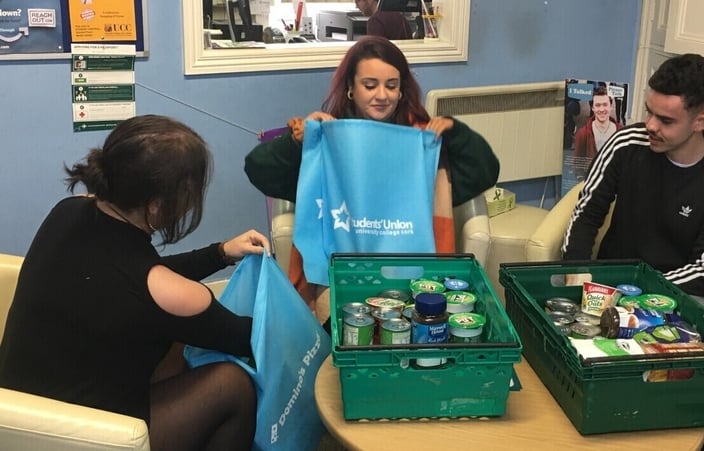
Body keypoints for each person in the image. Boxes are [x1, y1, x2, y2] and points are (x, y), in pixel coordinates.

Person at [0, 115, 271, 451]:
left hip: (17, 415)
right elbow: (253, 340)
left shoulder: (67, 211)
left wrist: (220, 253)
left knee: (172, 346)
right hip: (83, 436)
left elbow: (138, 277)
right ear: (156, 205)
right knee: (232, 386)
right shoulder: (162, 290)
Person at [244, 35, 499, 322]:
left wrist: (456, 134)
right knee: (339, 323)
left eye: (391, 85)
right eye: (369, 85)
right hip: (340, 274)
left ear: (401, 91)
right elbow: (258, 169)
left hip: (412, 276)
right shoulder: (329, 139)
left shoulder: (422, 139)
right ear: (351, 88)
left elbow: (485, 172)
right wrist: (297, 143)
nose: (382, 95)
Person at [561, 53, 704, 311]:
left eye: (666, 120)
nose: (650, 125)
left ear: (700, 121)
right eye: (650, 112)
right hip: (611, 282)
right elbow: (586, 213)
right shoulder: (625, 143)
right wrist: (577, 268)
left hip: (679, 293)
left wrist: (635, 293)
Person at [573, 86, 624, 180]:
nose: (601, 109)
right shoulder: (582, 134)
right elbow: (578, 166)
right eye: (598, 105)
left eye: (605, 105)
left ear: (611, 106)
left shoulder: (621, 132)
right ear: (592, 108)